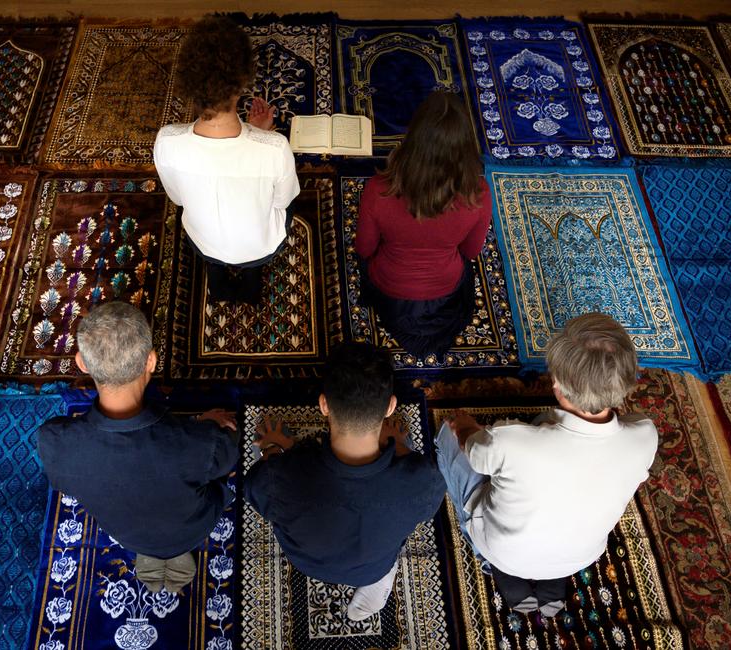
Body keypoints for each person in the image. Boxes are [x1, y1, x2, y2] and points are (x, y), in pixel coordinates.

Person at [435, 313, 658, 616]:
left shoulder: (508, 441)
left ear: (556, 383)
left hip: (503, 549)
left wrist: (462, 425)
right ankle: (553, 582)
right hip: (578, 556)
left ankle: (504, 575)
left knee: (446, 437)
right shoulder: (645, 437)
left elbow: (474, 449)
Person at [36, 302, 238, 594]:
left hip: (127, 534)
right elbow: (227, 455)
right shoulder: (200, 442)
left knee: (146, 533)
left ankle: (153, 553)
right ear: (152, 362)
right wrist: (204, 423)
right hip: (193, 527)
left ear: (81, 362)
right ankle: (177, 552)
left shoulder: (55, 443)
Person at [243, 342, 445, 621]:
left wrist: (274, 450)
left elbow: (254, 487)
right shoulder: (423, 481)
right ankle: (378, 582)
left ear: (324, 405)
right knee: (382, 557)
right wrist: (398, 445)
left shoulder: (280, 479)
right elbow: (425, 501)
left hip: (308, 564)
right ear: (390, 407)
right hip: (374, 566)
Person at [154, 15, 300, 303]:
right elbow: (283, 202)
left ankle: (218, 287)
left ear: (187, 84)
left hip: (203, 242)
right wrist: (259, 134)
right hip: (260, 246)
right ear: (242, 81)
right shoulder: (274, 148)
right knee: (283, 211)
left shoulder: (167, 141)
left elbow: (178, 198)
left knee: (214, 256)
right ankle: (250, 287)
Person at [355, 91, 491, 359]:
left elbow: (364, 248)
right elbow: (471, 252)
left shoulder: (378, 189)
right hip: (445, 289)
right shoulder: (479, 194)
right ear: (466, 144)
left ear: (414, 138)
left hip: (389, 287)